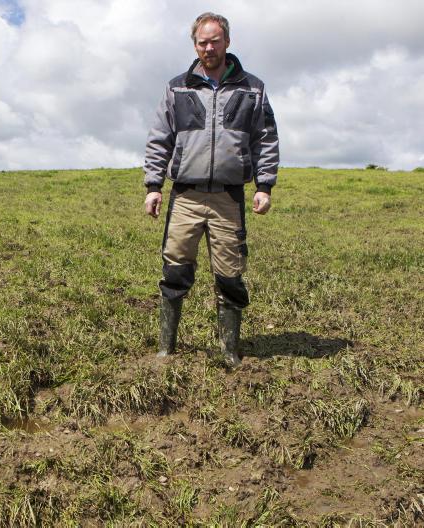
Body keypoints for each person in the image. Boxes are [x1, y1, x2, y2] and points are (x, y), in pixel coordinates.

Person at [143, 12, 279, 367]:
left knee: (230, 275)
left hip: (228, 198)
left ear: (227, 42)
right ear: (195, 45)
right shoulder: (177, 88)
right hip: (185, 197)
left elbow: (265, 139)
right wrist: (154, 186)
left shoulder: (252, 88)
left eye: (215, 41)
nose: (208, 48)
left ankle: (230, 351)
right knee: (175, 271)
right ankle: (166, 348)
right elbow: (160, 139)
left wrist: (264, 185)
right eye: (202, 42)